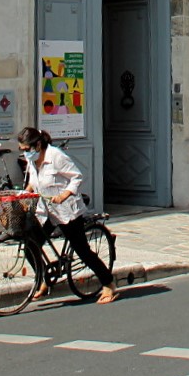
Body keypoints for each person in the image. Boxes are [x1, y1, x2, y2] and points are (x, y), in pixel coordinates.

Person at [17, 126, 118, 305]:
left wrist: (64, 195)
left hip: (66, 211)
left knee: (82, 250)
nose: (25, 154)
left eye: (27, 149)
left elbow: (76, 177)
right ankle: (43, 280)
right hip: (45, 211)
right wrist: (24, 195)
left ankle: (108, 283)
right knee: (30, 247)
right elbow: (33, 182)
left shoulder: (55, 156)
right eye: (22, 150)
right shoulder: (32, 161)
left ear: (38, 145)